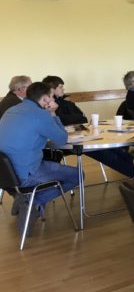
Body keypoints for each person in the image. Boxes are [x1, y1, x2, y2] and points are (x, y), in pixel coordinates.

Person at [0, 82, 79, 235]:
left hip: (4, 174)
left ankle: (25, 198)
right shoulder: (40, 114)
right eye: (51, 96)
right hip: (25, 173)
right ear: (45, 99)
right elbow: (62, 138)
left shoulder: (11, 110)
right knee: (77, 175)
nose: (53, 99)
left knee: (47, 164)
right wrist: (53, 113)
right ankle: (34, 202)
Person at [42, 75, 134, 178]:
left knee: (111, 147)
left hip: (79, 136)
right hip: (65, 143)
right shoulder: (48, 107)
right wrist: (73, 118)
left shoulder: (65, 102)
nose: (63, 89)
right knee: (101, 151)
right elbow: (63, 120)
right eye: (60, 87)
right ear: (52, 90)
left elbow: (83, 118)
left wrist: (71, 118)